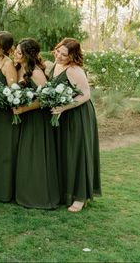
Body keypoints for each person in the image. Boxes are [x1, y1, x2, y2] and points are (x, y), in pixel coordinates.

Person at [50, 38, 101, 212]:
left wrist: (64, 107)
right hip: (63, 115)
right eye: (58, 52)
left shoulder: (74, 70)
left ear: (72, 56)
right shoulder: (55, 65)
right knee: (66, 153)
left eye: (65, 55)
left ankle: (80, 197)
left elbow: (85, 95)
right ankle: (67, 193)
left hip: (77, 115)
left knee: (78, 153)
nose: (60, 56)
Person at [12, 38, 60, 209]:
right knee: (25, 156)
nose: (15, 54)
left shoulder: (36, 73)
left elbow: (46, 98)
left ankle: (39, 196)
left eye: (18, 52)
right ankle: (25, 193)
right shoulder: (18, 69)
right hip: (24, 118)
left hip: (37, 119)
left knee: (36, 156)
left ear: (27, 54)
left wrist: (24, 109)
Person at [0, 31, 18, 202]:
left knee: (5, 151)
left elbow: (13, 93)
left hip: (5, 115)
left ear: (3, 48)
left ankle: (6, 191)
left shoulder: (8, 65)